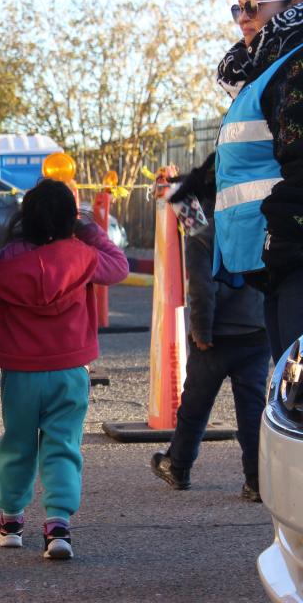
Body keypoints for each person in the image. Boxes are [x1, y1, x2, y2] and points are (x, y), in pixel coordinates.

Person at [0, 179, 128, 560]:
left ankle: (11, 522)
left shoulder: (10, 258)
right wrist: (90, 229)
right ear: (71, 220)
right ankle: (58, 527)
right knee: (63, 445)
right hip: (70, 370)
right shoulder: (82, 256)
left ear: (25, 218)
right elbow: (119, 266)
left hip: (20, 372)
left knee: (17, 444)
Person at [150, 154, 269, 502]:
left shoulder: (200, 223)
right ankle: (257, 480)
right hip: (256, 331)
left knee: (196, 404)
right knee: (251, 409)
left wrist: (201, 331)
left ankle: (179, 466)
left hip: (217, 336)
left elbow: (202, 285)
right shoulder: (259, 215)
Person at [216, 0, 303, 362]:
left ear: (295, 6)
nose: (243, 19)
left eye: (253, 6)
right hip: (277, 262)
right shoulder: (265, 71)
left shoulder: (295, 68)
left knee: (295, 397)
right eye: (237, 8)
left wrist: (281, 236)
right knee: (288, 392)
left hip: (293, 257)